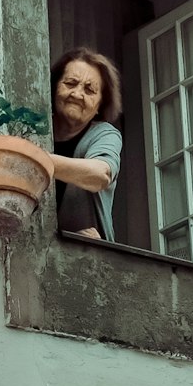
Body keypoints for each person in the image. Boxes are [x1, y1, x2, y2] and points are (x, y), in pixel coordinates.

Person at [50, 47, 123, 242]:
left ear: (100, 105)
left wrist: (40, 160)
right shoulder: (34, 128)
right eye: (70, 83)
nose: (77, 94)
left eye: (89, 90)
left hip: (84, 254)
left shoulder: (104, 134)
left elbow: (100, 175)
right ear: (54, 86)